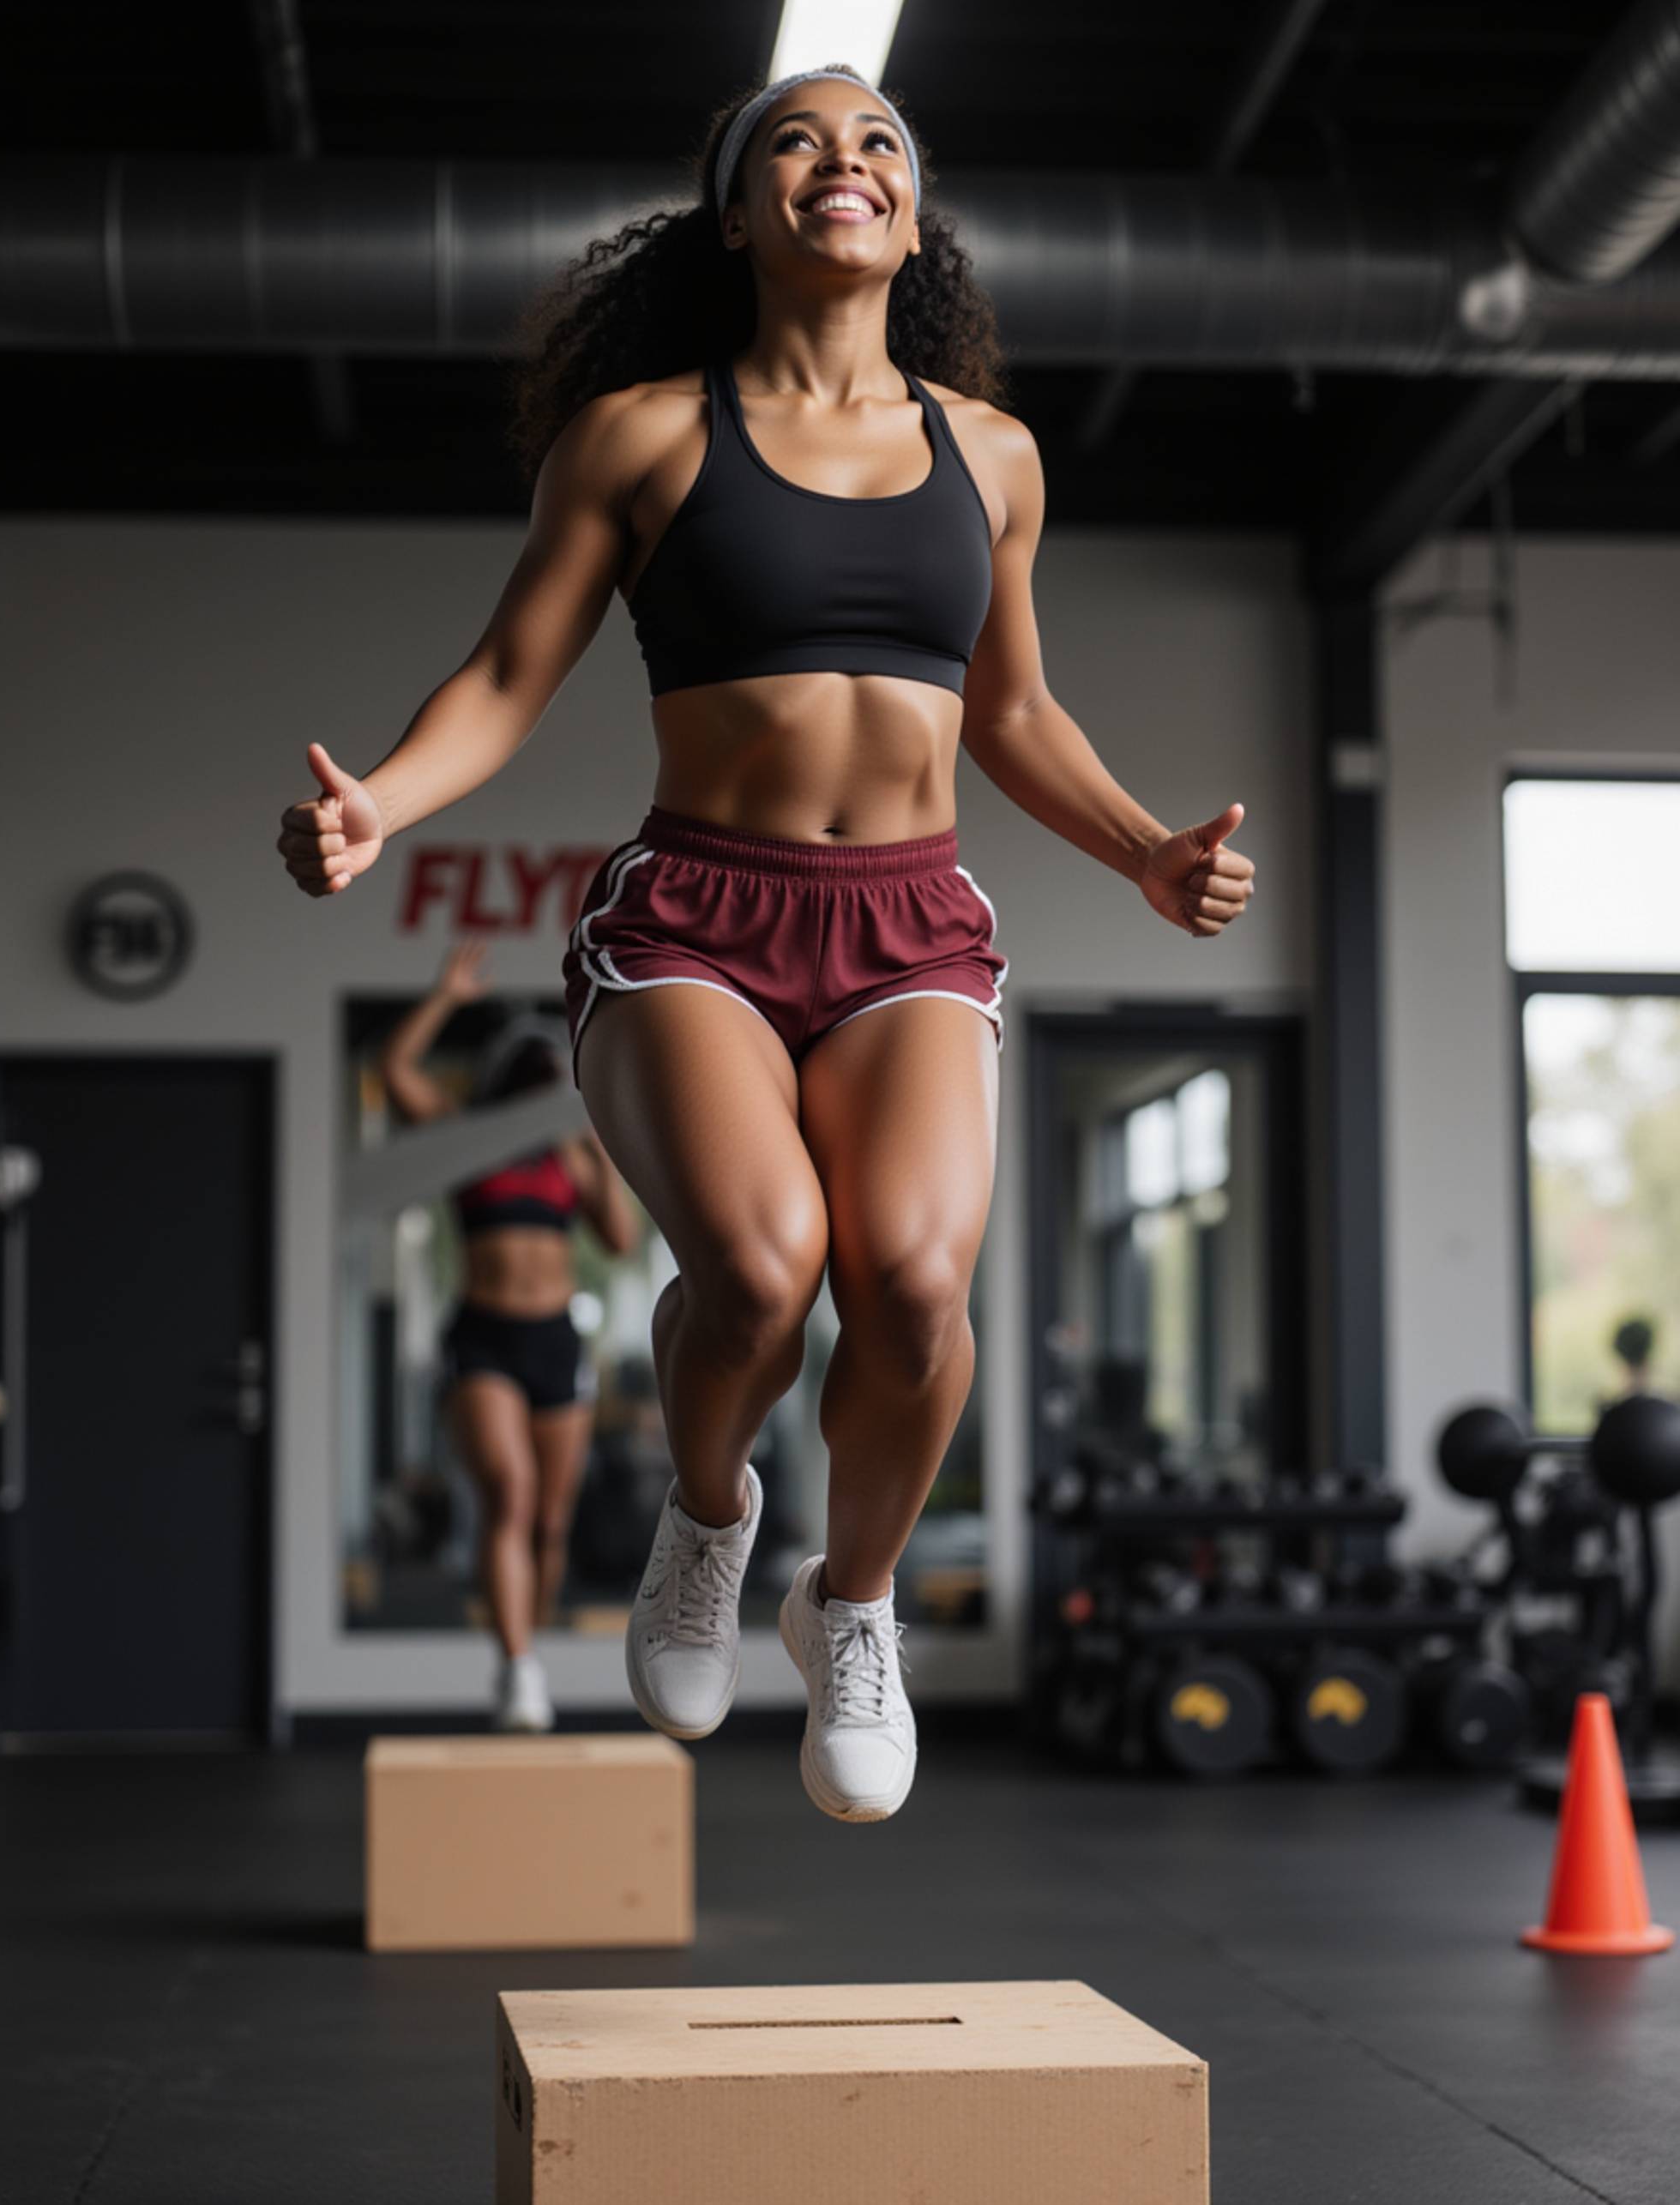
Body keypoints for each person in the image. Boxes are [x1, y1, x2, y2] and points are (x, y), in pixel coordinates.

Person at [278, 64, 1254, 1817]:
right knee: (759, 1267)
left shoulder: (991, 455)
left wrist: (1140, 852)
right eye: (795, 141)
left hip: (911, 926)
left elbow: (1014, 708)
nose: (843, 160)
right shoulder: (645, 433)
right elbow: (510, 675)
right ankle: (708, 1520)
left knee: (917, 1277)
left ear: (911, 214)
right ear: (738, 212)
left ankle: (848, 1604)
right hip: (698, 921)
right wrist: (384, 808)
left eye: (879, 140)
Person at [378, 943, 637, 1730]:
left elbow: (622, 1239)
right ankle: (518, 1668)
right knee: (510, 1497)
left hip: (554, 1339)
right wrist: (446, 994)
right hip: (483, 1338)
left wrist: (585, 1132)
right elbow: (395, 1071)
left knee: (550, 1522)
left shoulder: (569, 1151)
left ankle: (526, 1634)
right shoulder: (470, 1137)